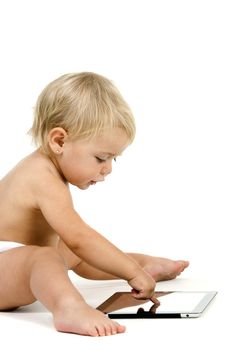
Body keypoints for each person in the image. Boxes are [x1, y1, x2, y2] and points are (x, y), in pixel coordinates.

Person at [0, 72, 189, 337]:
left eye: (114, 159)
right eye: (101, 157)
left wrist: (132, 270)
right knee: (48, 255)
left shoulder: (49, 169)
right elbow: (79, 236)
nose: (108, 169)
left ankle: (143, 265)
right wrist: (131, 273)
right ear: (59, 141)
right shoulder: (40, 176)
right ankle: (69, 307)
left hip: (12, 261)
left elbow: (78, 247)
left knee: (67, 251)